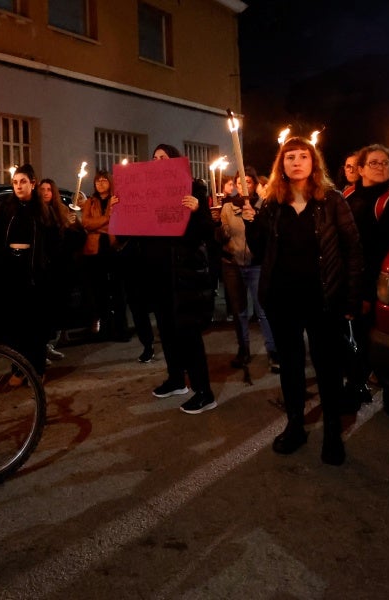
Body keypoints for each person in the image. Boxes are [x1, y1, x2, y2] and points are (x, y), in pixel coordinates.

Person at [254, 136, 362, 465]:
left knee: (327, 367)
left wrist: (351, 300)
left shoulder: (331, 200)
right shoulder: (272, 203)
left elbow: (352, 251)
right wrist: (251, 217)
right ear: (281, 165)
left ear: (313, 163)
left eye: (303, 156)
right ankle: (295, 426)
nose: (297, 162)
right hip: (282, 297)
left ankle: (332, 433)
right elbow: (260, 250)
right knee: (290, 365)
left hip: (323, 298)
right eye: (290, 158)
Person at [135, 145, 217, 414]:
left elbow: (206, 230)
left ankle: (204, 391)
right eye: (154, 158)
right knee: (167, 332)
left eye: (163, 157)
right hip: (157, 274)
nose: (158, 161)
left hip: (182, 275)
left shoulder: (194, 187)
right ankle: (176, 379)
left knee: (188, 333)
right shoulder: (149, 192)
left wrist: (197, 210)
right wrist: (122, 209)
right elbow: (134, 232)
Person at [342, 144, 389, 403]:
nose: (381, 167)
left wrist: (367, 293)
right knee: (344, 335)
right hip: (344, 279)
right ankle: (350, 378)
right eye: (374, 163)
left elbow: (381, 255)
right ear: (360, 169)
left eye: (385, 163)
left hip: (365, 284)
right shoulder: (347, 196)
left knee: (360, 336)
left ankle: (357, 387)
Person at [0, 163, 48, 377]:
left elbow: (52, 240)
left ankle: (37, 369)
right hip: (12, 270)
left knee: (34, 324)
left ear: (33, 183)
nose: (18, 186)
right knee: (15, 324)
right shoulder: (8, 207)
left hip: (33, 271)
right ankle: (18, 370)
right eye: (15, 182)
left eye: (23, 182)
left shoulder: (42, 209)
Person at [216, 169, 278, 372]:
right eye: (239, 183)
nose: (243, 186)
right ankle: (243, 349)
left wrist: (254, 219)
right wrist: (218, 227)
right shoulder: (226, 207)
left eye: (248, 182)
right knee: (239, 310)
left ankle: (272, 350)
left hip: (255, 265)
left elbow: (268, 237)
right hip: (232, 264)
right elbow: (222, 237)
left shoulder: (264, 206)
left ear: (254, 185)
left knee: (263, 310)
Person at [36, 177, 81, 362]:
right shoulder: (37, 212)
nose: (46, 192)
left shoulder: (61, 211)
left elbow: (73, 242)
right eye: (43, 189)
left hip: (59, 268)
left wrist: (72, 226)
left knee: (55, 310)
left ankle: (48, 345)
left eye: (49, 189)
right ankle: (40, 350)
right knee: (43, 312)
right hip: (43, 267)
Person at [78, 170, 127, 340]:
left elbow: (119, 223)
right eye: (97, 181)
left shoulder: (116, 200)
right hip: (94, 251)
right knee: (100, 291)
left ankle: (120, 329)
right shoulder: (90, 202)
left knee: (117, 290)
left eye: (104, 180)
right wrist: (107, 217)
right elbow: (86, 223)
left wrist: (97, 225)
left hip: (113, 248)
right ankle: (104, 328)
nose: (100, 184)